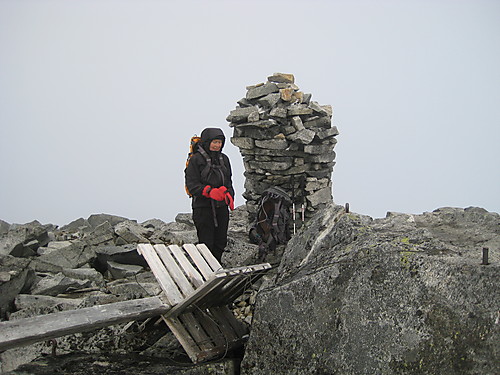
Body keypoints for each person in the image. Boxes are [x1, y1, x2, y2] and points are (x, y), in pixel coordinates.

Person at [184, 127, 235, 262]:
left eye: (220, 142)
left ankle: (216, 268)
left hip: (221, 208)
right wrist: (210, 192)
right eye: (214, 142)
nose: (217, 145)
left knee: (220, 242)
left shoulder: (224, 159)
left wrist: (230, 195)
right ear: (207, 142)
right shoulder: (196, 160)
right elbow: (192, 185)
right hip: (203, 208)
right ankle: (206, 272)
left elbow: (229, 181)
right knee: (206, 243)